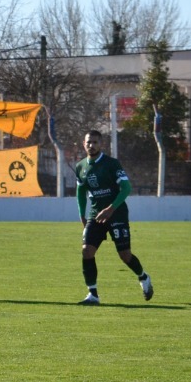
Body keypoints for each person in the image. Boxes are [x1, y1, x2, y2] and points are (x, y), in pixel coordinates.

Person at [74, 129, 153, 305]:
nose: (91, 145)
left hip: (116, 213)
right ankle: (93, 294)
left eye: (95, 142)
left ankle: (143, 277)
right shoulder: (80, 167)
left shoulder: (111, 164)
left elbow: (126, 188)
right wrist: (82, 214)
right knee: (87, 250)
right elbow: (80, 192)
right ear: (83, 144)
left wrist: (110, 208)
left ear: (101, 144)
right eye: (88, 142)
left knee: (124, 255)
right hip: (95, 215)